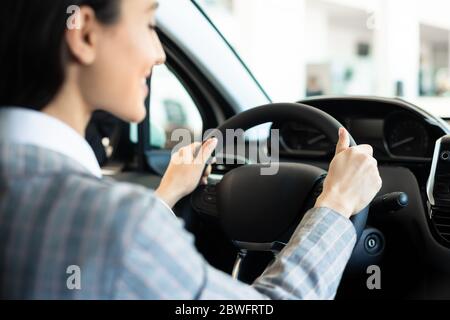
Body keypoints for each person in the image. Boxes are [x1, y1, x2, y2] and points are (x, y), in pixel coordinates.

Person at [0, 0, 382, 299]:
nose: (160, 54)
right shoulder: (117, 222)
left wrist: (165, 195)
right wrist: (335, 203)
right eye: (149, 25)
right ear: (84, 35)